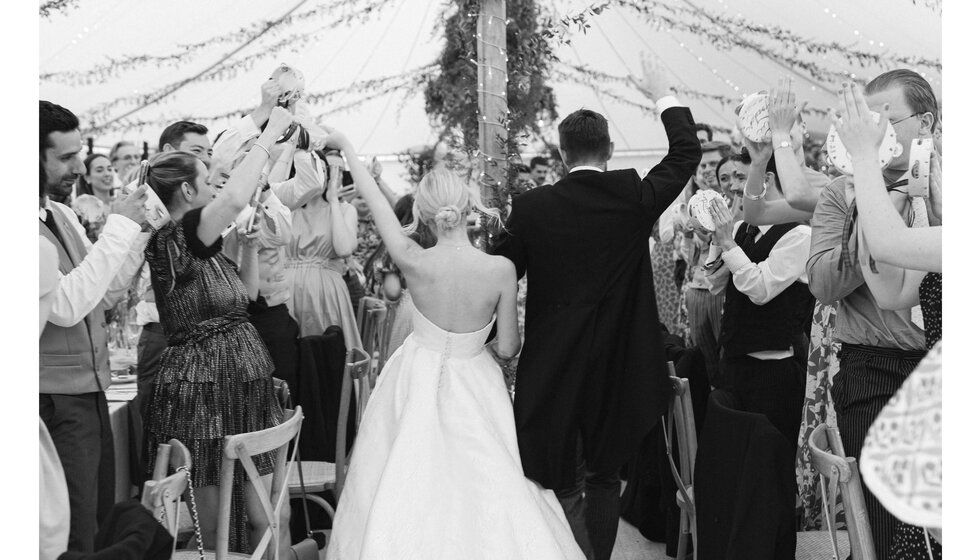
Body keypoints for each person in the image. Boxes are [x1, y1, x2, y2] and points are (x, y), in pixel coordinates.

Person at [324, 130, 584, 558]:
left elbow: (375, 202)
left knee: (402, 479)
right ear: (468, 208)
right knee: (490, 480)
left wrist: (347, 149)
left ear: (424, 216)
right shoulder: (500, 269)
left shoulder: (413, 260)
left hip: (412, 377)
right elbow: (506, 348)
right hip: (476, 382)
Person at [494, 55, 702, 560]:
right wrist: (662, 94)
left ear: (562, 153)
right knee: (606, 475)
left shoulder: (531, 208)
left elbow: (499, 272)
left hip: (553, 362)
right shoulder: (633, 195)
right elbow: (686, 152)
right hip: (619, 362)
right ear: (609, 149)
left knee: (559, 476)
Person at [141, 107, 294, 556]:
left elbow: (245, 296)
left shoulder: (205, 244)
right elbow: (230, 202)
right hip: (203, 393)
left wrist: (246, 248)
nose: (216, 190)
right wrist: (267, 139)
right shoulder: (173, 238)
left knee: (269, 514)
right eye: (208, 182)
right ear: (187, 191)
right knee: (219, 525)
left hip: (243, 386)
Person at [806, 70, 936, 558]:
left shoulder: (955, 189)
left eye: (885, 118)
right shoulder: (843, 193)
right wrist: (874, 208)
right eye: (866, 120)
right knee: (891, 533)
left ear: (924, 123)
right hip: (876, 369)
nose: (874, 130)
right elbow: (822, 284)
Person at [39, 100, 151, 553]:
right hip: (51, 398)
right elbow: (64, 304)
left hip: (89, 392)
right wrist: (120, 225)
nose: (79, 165)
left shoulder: (60, 215)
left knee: (99, 519)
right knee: (72, 531)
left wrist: (140, 231)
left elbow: (103, 292)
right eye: (65, 157)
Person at [706, 156, 814, 445]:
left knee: (772, 455)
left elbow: (760, 290)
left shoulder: (799, 234)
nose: (735, 188)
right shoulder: (742, 229)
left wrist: (729, 243)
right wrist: (719, 238)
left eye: (746, 180)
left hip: (774, 372)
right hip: (733, 363)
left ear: (765, 181)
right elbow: (715, 284)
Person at [283, 149, 361, 349]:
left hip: (326, 294)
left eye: (321, 170)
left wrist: (334, 200)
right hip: (288, 292)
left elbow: (344, 249)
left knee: (328, 354)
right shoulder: (286, 210)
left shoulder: (344, 210)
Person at [73, 153, 115, 241]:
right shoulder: (82, 205)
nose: (107, 174)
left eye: (109, 169)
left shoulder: (118, 202)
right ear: (87, 177)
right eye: (99, 170)